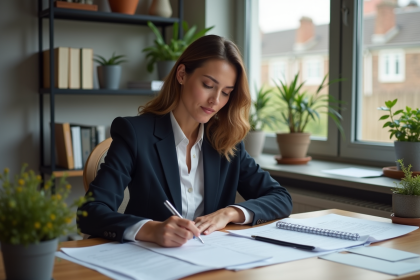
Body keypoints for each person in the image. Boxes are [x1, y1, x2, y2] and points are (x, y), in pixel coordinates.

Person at [77, 35, 292, 247]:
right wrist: (151, 229)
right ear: (182, 74)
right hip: (149, 261)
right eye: (208, 85)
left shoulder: (227, 141)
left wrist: (229, 213)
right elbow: (90, 212)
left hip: (210, 261)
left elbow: (280, 198)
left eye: (226, 93)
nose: (215, 101)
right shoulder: (134, 133)